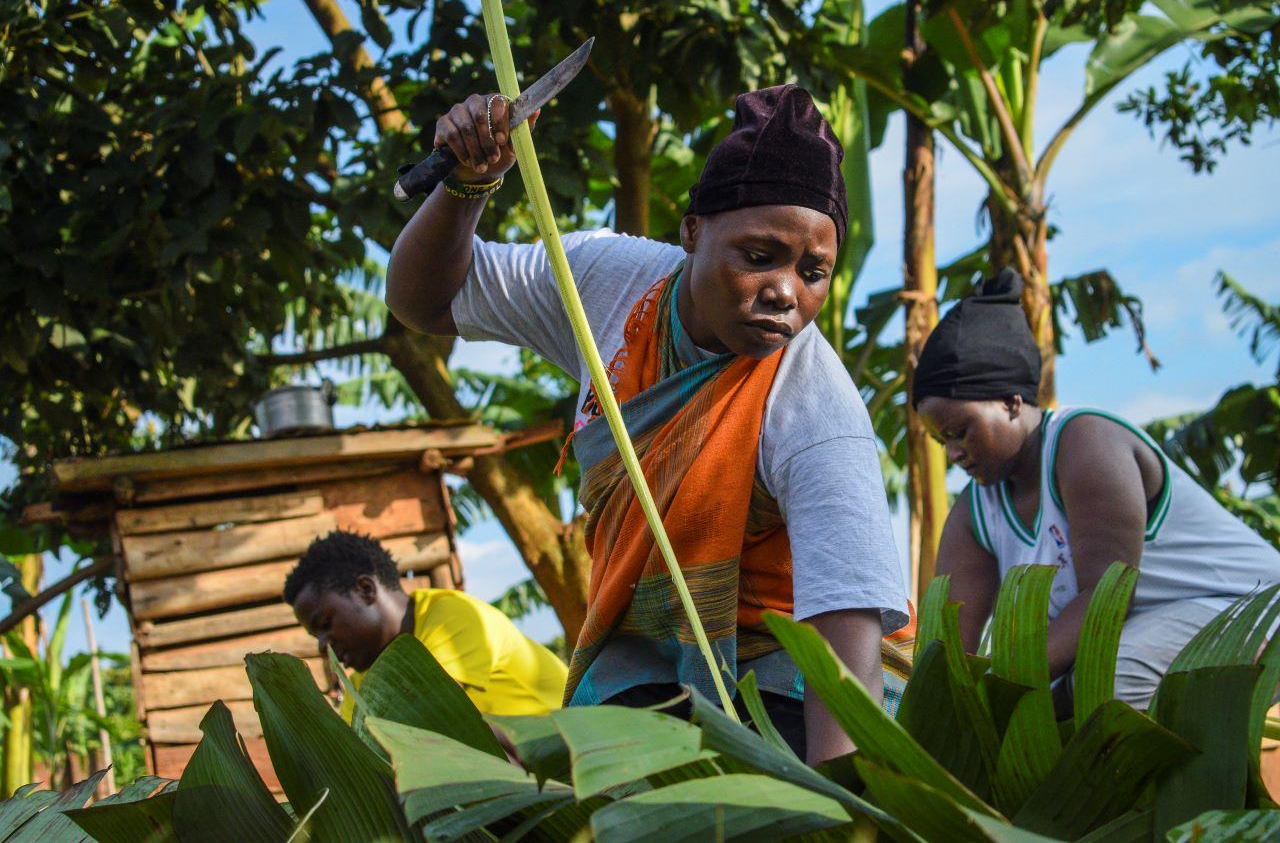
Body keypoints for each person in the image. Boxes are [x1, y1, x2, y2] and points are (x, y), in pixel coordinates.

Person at [385, 83, 909, 763]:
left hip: (790, 682)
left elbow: (846, 629)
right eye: (759, 256)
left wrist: (842, 803)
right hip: (643, 670)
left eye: (814, 271)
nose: (786, 291)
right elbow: (426, 301)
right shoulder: (608, 280)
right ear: (692, 231)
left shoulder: (815, 404)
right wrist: (467, 185)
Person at [915, 268, 1280, 711]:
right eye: (942, 441)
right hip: (1147, 630)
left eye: (960, 431)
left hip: (1250, 610)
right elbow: (949, 650)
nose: (953, 453)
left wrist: (996, 688)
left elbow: (1105, 600)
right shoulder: (976, 512)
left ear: (1011, 401)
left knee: (1108, 682)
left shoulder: (1084, 444)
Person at [284, 531, 568, 720]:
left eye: (324, 624)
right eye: (315, 635)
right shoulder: (366, 678)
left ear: (365, 589)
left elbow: (425, 720)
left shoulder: (452, 616)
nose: (322, 646)